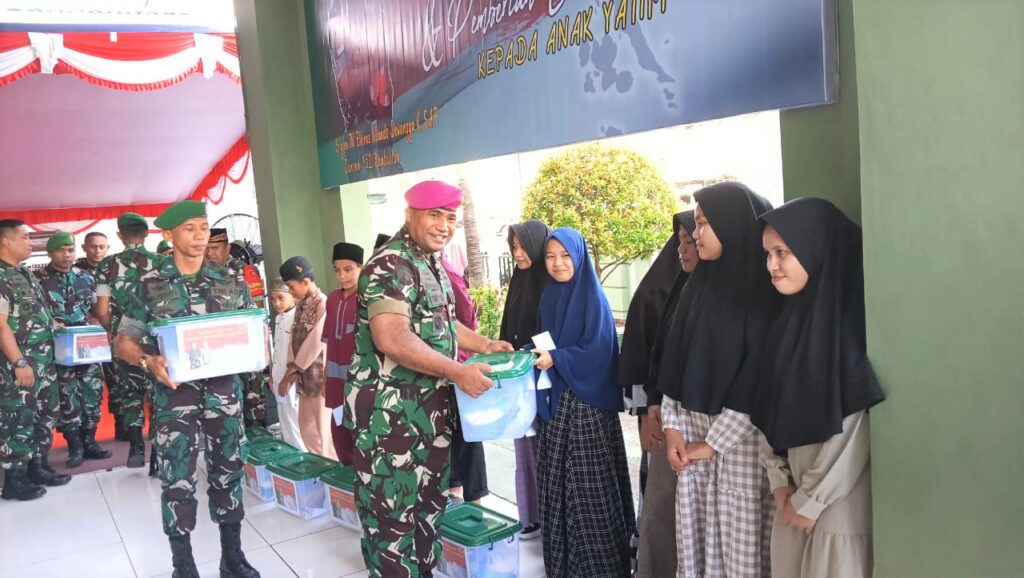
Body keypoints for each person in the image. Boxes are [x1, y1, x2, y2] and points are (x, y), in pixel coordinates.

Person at [343, 180, 512, 578]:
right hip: (390, 424)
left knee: (427, 519)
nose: (444, 226)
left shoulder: (427, 261)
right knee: (392, 528)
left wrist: (484, 344)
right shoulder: (391, 264)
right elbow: (392, 337)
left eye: (451, 218)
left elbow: (442, 324)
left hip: (427, 419)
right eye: (435, 215)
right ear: (409, 215)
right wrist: (458, 371)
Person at [114, 200, 260, 578]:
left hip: (224, 394)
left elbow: (250, 328)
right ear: (169, 234)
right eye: (189, 228)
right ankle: (183, 564)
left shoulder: (230, 278)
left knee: (228, 472)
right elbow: (124, 342)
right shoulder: (148, 284)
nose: (199, 236)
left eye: (203, 227)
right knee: (177, 478)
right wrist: (148, 362)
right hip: (174, 398)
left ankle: (233, 558)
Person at [752, 198, 886, 578]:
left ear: (816, 248)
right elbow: (767, 409)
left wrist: (811, 500)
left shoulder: (850, 329)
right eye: (767, 254)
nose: (772, 266)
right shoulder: (785, 326)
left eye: (782, 252)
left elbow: (855, 427)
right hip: (792, 502)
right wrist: (780, 483)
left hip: (837, 507)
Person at [657, 182, 779, 578]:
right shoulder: (696, 287)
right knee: (695, 550)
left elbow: (759, 377)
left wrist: (712, 444)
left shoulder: (766, 295)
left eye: (704, 223)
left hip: (740, 451)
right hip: (691, 450)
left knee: (739, 557)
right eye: (696, 224)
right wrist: (672, 428)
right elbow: (675, 364)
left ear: (732, 223)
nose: (696, 234)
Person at [533, 227, 636, 578]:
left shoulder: (594, 298)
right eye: (550, 256)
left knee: (589, 490)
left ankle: (599, 569)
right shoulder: (548, 297)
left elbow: (599, 353)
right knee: (556, 486)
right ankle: (563, 567)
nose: (557, 263)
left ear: (578, 257)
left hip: (587, 408)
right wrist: (532, 355)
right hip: (557, 405)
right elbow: (545, 341)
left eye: (565, 256)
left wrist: (557, 359)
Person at [627, 211, 698, 578]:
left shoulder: (712, 292)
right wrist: (647, 407)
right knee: (658, 506)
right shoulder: (665, 289)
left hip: (703, 433)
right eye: (680, 241)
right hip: (663, 416)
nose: (682, 250)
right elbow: (648, 354)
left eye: (691, 240)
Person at [0, 220, 70, 500]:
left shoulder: (23, 272)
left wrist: (53, 325)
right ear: (6, 241)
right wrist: (19, 363)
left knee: (45, 412)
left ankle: (37, 466)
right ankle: (14, 479)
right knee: (19, 417)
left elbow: (32, 312)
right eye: (26, 237)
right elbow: (1, 326)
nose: (31, 243)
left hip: (43, 362)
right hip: (19, 365)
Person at [35, 231, 112, 467]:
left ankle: (90, 442)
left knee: (92, 394)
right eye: (61, 250)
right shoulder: (38, 280)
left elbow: (96, 310)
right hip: (60, 350)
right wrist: (51, 323)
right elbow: (35, 314)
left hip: (88, 347)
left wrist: (98, 321)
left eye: (70, 250)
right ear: (50, 253)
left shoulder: (86, 277)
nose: (67, 255)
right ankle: (75, 447)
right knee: (67, 397)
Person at [497, 219, 550, 540]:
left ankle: (549, 515)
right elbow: (509, 327)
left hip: (544, 377)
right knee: (524, 445)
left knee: (543, 446)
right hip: (519, 377)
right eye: (513, 247)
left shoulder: (550, 282)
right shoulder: (519, 281)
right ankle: (530, 516)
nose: (518, 253)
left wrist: (531, 351)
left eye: (523, 246)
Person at [95, 212, 162, 468]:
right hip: (156, 340)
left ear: (120, 236)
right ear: (146, 233)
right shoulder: (161, 263)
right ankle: (158, 453)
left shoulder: (107, 265)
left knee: (129, 392)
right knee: (157, 393)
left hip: (124, 340)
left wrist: (112, 330)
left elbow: (102, 309)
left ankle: (136, 446)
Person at [441, 250, 489, 504]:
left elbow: (462, 318)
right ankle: (455, 493)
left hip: (458, 368)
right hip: (442, 373)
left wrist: (483, 346)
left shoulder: (446, 273)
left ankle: (475, 504)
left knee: (467, 435)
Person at [207, 228, 266, 428]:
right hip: (218, 349)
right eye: (207, 248)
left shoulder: (244, 271)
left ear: (227, 248)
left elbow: (258, 310)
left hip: (245, 346)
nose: (210, 253)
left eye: (215, 248)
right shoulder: (203, 273)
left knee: (252, 402)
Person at [279, 256, 337, 460]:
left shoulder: (324, 303)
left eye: (291, 286)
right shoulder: (301, 304)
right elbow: (293, 338)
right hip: (304, 378)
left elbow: (317, 339)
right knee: (306, 429)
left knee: (324, 430)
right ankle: (319, 464)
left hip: (320, 378)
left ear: (305, 282)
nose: (290, 291)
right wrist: (291, 368)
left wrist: (296, 368)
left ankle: (332, 469)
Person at [323, 242, 363, 465]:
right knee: (339, 433)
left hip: (361, 383)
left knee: (361, 434)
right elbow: (329, 343)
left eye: (348, 269)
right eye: (337, 270)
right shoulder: (332, 299)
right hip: (336, 383)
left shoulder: (367, 299)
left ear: (361, 268)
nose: (342, 276)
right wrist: (325, 378)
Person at [268, 278, 306, 451]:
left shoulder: (298, 318)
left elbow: (297, 354)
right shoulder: (278, 318)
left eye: (281, 298)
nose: (276, 303)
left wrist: (287, 378)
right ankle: (291, 456)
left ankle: (302, 456)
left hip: (290, 378)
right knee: (284, 419)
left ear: (293, 296)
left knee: (295, 420)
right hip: (278, 377)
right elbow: (277, 350)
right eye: (273, 299)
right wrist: (272, 375)